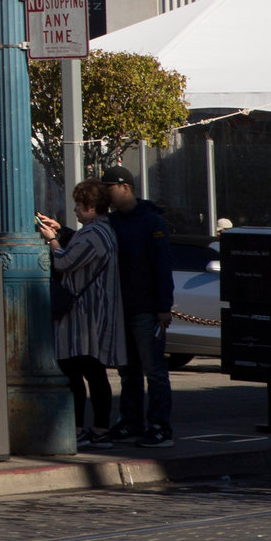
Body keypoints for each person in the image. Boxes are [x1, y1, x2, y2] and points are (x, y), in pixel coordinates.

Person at [38, 180, 126, 447]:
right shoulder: (100, 230)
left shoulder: (94, 234)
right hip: (91, 313)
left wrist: (52, 239)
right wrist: (62, 231)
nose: (75, 210)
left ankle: (87, 429)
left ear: (90, 206)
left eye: (78, 205)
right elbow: (77, 250)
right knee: (89, 371)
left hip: (85, 316)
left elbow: (65, 260)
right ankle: (96, 430)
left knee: (78, 370)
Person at [101, 166, 173, 446]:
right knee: (128, 370)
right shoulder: (112, 222)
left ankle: (160, 427)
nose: (106, 195)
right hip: (122, 308)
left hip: (146, 308)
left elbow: (162, 265)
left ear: (125, 187)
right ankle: (131, 421)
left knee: (154, 370)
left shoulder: (151, 222)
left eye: (109, 189)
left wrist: (163, 306)